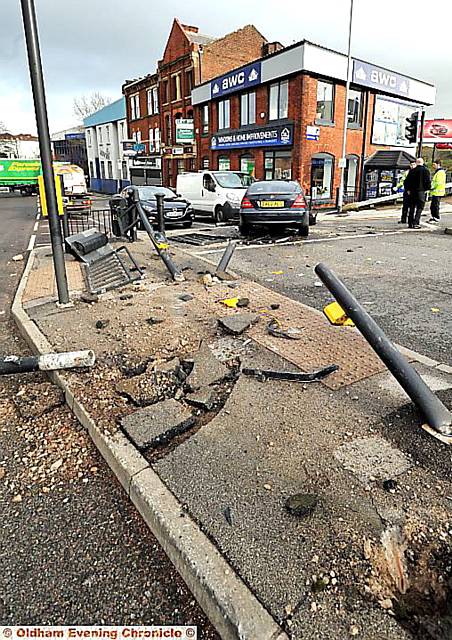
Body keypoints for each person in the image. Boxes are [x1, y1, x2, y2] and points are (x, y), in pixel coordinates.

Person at [404, 158, 432, 228]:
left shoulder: (412, 171)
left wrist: (408, 189)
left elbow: (406, 181)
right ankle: (416, 222)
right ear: (422, 162)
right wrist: (427, 189)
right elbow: (428, 182)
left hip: (412, 192)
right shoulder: (426, 171)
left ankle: (410, 223)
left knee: (412, 207)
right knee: (420, 207)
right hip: (421, 192)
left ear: (416, 163)